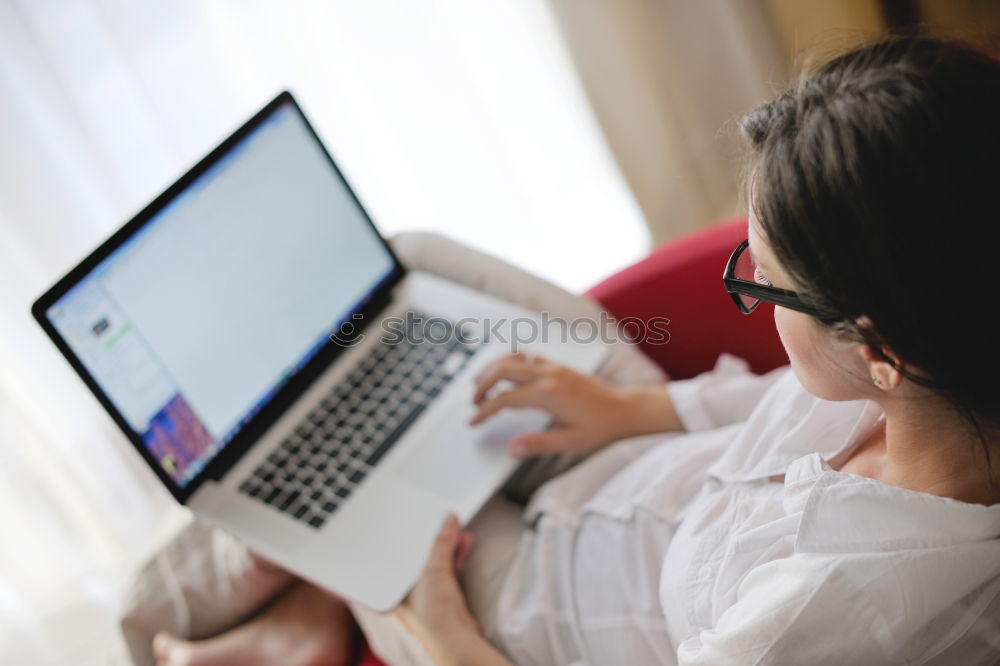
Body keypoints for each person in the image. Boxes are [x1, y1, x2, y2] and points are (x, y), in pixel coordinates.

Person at [148, 35, 1000, 666]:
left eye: (761, 279)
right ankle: (300, 617)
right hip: (652, 452)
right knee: (402, 266)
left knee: (330, 487)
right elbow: (770, 397)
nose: (741, 286)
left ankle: (213, 621)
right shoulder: (938, 358)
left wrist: (440, 632)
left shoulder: (833, 614)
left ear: (880, 350)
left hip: (539, 604)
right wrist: (626, 408)